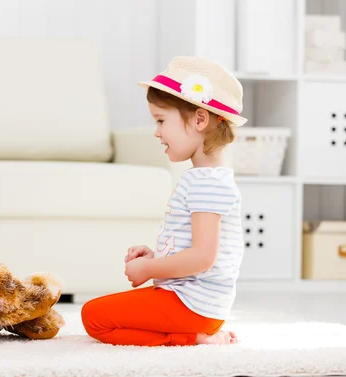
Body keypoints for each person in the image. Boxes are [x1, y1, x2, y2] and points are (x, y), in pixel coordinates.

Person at [81, 56, 247, 346]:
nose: (156, 132)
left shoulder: (207, 182)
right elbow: (194, 251)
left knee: (94, 317)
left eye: (161, 120)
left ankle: (190, 337)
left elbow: (203, 258)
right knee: (99, 314)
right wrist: (155, 257)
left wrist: (148, 270)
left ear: (199, 119)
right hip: (194, 302)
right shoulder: (203, 178)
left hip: (193, 305)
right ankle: (190, 334)